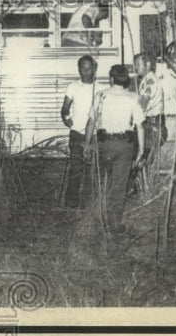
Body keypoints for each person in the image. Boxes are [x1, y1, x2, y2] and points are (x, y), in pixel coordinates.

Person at [84, 64, 145, 234]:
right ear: (126, 80)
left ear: (111, 79)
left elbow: (91, 122)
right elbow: (140, 126)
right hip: (125, 146)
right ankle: (115, 223)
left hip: (104, 144)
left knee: (102, 181)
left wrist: (87, 144)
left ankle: (98, 219)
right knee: (119, 184)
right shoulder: (133, 98)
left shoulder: (100, 96)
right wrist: (140, 151)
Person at [59, 55, 98, 208]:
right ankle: (71, 201)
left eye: (89, 68)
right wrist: (65, 118)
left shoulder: (100, 88)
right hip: (77, 133)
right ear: (79, 69)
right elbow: (65, 108)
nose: (86, 72)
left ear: (94, 69)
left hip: (94, 134)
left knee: (92, 169)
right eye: (83, 68)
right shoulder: (73, 86)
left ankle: (88, 202)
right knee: (76, 167)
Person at [130, 53, 166, 193]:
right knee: (144, 157)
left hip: (152, 124)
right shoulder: (147, 80)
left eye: (138, 65)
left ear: (148, 65)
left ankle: (135, 187)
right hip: (152, 123)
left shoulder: (149, 81)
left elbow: (143, 104)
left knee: (142, 157)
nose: (136, 68)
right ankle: (142, 189)